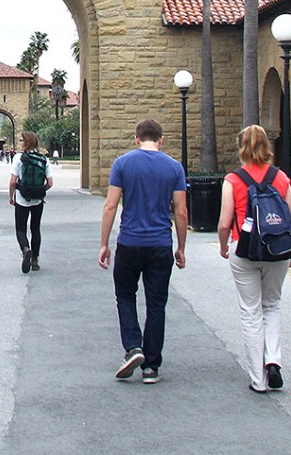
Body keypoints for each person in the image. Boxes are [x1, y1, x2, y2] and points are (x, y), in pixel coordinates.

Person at [98, 119, 187, 384]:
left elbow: (110, 206)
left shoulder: (122, 164)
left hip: (130, 242)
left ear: (137, 138)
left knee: (125, 295)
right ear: (161, 139)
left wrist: (104, 243)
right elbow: (180, 211)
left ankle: (133, 347)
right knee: (157, 303)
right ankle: (151, 366)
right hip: (160, 244)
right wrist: (181, 246)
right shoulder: (174, 167)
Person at [218, 125, 291, 394]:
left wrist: (223, 245)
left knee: (250, 311)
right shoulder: (281, 178)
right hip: (277, 250)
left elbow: (223, 222)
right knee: (272, 305)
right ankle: (273, 360)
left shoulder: (233, 179)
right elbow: (289, 220)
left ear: (241, 147)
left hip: (244, 250)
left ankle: (258, 379)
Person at [9, 131, 54, 273]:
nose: (20, 142)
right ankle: (35, 260)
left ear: (27, 142)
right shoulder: (43, 159)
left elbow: (12, 181)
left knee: (20, 229)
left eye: (22, 140)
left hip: (22, 198)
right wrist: (41, 190)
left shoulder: (18, 158)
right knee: (35, 229)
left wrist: (11, 196)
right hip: (37, 200)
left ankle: (25, 248)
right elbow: (50, 183)